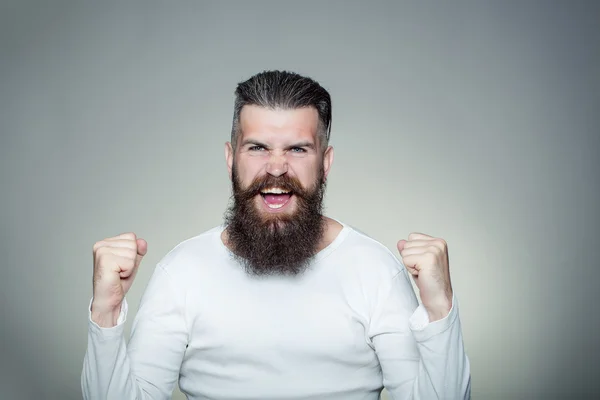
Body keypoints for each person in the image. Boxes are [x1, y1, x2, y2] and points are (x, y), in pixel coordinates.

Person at [81, 70, 471, 399]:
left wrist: (440, 311)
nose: (277, 167)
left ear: (326, 162)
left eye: (298, 149)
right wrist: (106, 313)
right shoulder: (181, 271)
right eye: (258, 148)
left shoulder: (374, 270)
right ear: (231, 158)